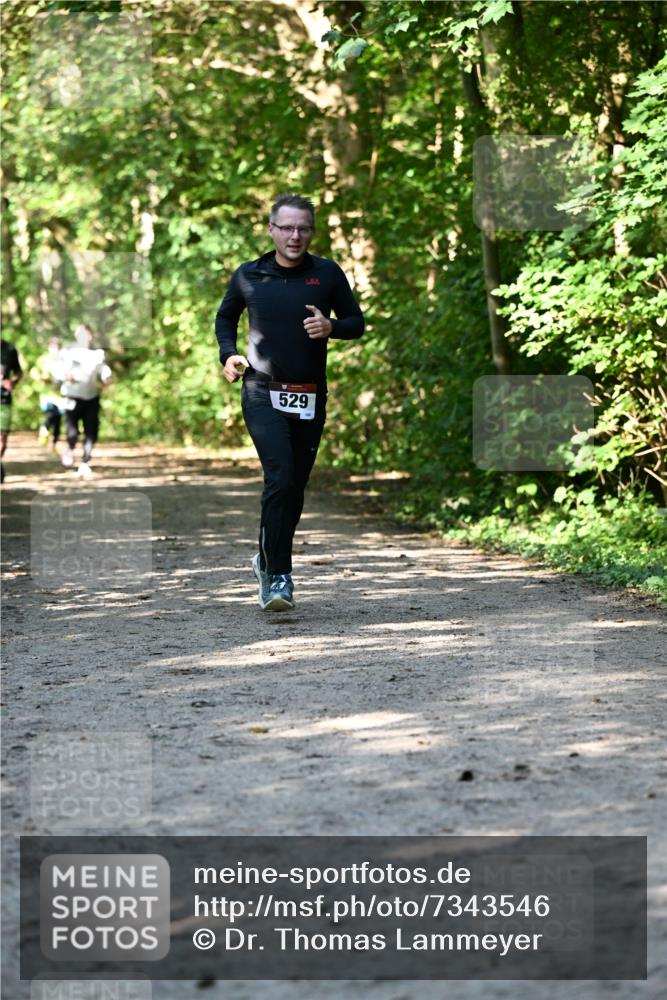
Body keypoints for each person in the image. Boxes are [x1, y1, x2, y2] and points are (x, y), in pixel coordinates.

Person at [215, 193, 364, 611]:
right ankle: (279, 575)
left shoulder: (327, 274)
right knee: (280, 476)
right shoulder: (249, 275)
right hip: (261, 389)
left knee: (294, 486)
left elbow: (357, 322)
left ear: (311, 232)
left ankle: (265, 556)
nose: (295, 236)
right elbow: (225, 318)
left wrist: (331, 325)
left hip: (310, 395)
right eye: (287, 227)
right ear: (272, 230)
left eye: (303, 228)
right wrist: (229, 354)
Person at [59, 324, 112, 478]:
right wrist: (64, 375)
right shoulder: (68, 350)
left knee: (91, 432)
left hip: (91, 398)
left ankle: (85, 462)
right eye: (78, 334)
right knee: (72, 432)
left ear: (90, 335)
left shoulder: (98, 353)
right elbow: (57, 368)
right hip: (71, 397)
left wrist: (107, 378)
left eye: (84, 334)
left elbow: (103, 370)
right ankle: (70, 448)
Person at [32, 336, 65, 452]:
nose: (54, 350)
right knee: (49, 415)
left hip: (61, 396)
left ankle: (54, 444)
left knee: (58, 421)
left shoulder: (64, 360)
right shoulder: (43, 359)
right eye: (52, 347)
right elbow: (34, 371)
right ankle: (44, 430)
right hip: (47, 396)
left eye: (56, 347)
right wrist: (41, 378)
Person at [0, 338, 23, 484]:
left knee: (2, 439)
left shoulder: (9, 349)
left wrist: (13, 382)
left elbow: (19, 372)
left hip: (3, 399)